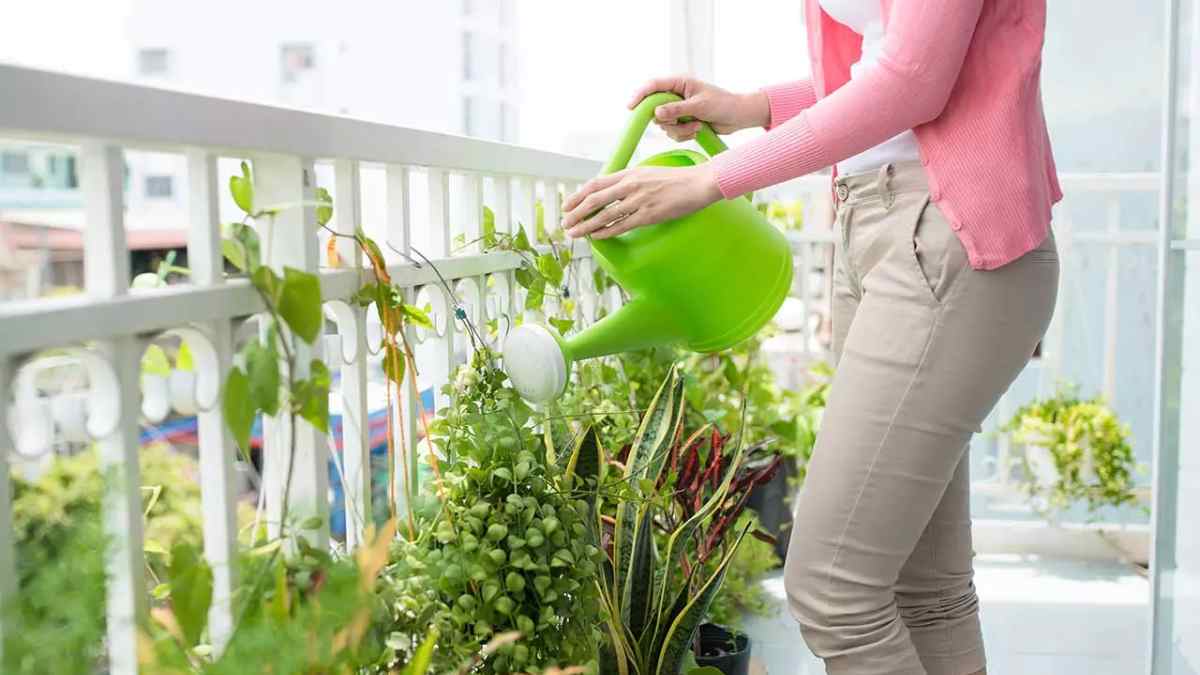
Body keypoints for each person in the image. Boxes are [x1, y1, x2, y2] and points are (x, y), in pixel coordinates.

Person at [560, 2, 1059, 674]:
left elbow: (914, 81)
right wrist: (750, 107)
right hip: (883, 229)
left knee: (833, 588)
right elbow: (883, 66)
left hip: (941, 234)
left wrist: (707, 180)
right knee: (927, 590)